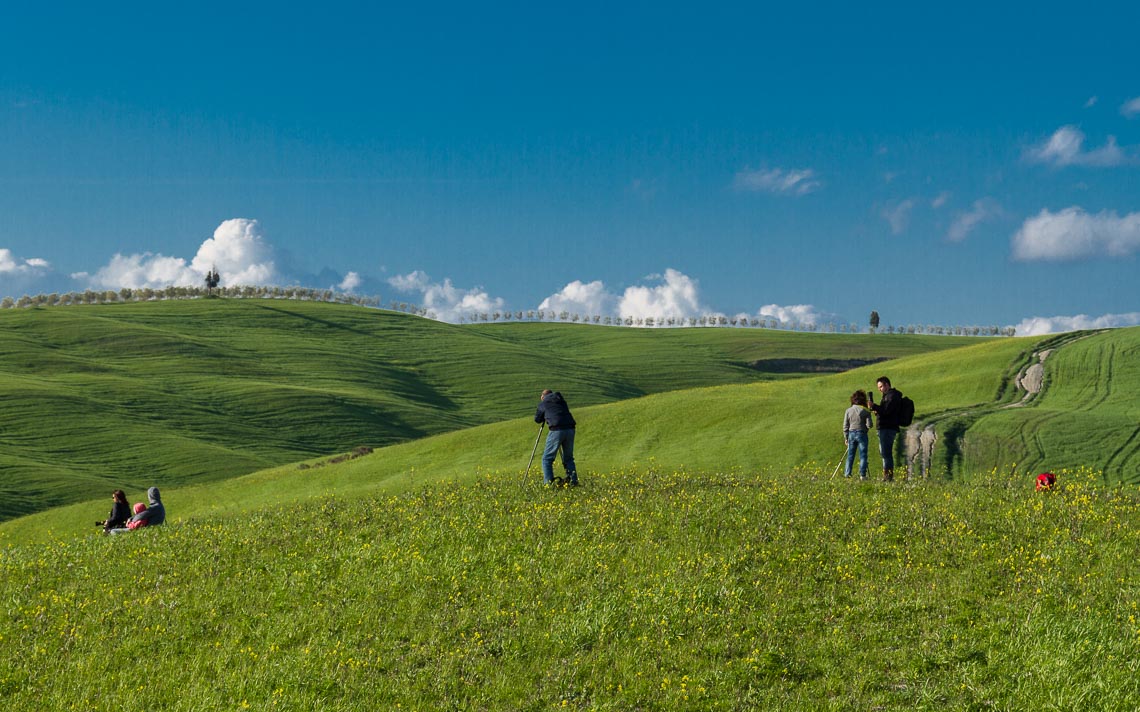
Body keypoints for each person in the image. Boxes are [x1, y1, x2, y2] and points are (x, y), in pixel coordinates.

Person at [534, 389, 578, 487]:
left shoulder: (544, 403)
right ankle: (573, 481)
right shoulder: (561, 401)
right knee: (569, 458)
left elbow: (537, 419)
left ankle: (549, 484)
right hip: (570, 428)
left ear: (542, 397)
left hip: (556, 429)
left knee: (547, 459)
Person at [868, 376, 902, 481]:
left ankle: (888, 477)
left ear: (887, 385)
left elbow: (886, 411)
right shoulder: (887, 396)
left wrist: (874, 406)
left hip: (887, 428)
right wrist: (877, 410)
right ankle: (887, 476)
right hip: (885, 427)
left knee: (886, 453)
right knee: (884, 453)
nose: (880, 389)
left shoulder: (891, 396)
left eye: (881, 386)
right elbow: (884, 411)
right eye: (879, 387)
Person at [842, 390, 873, 480]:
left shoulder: (848, 410)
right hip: (862, 434)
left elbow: (845, 425)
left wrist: (846, 437)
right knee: (863, 455)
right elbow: (869, 425)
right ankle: (862, 475)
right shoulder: (866, 411)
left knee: (850, 455)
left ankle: (847, 474)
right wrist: (866, 427)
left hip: (851, 434)